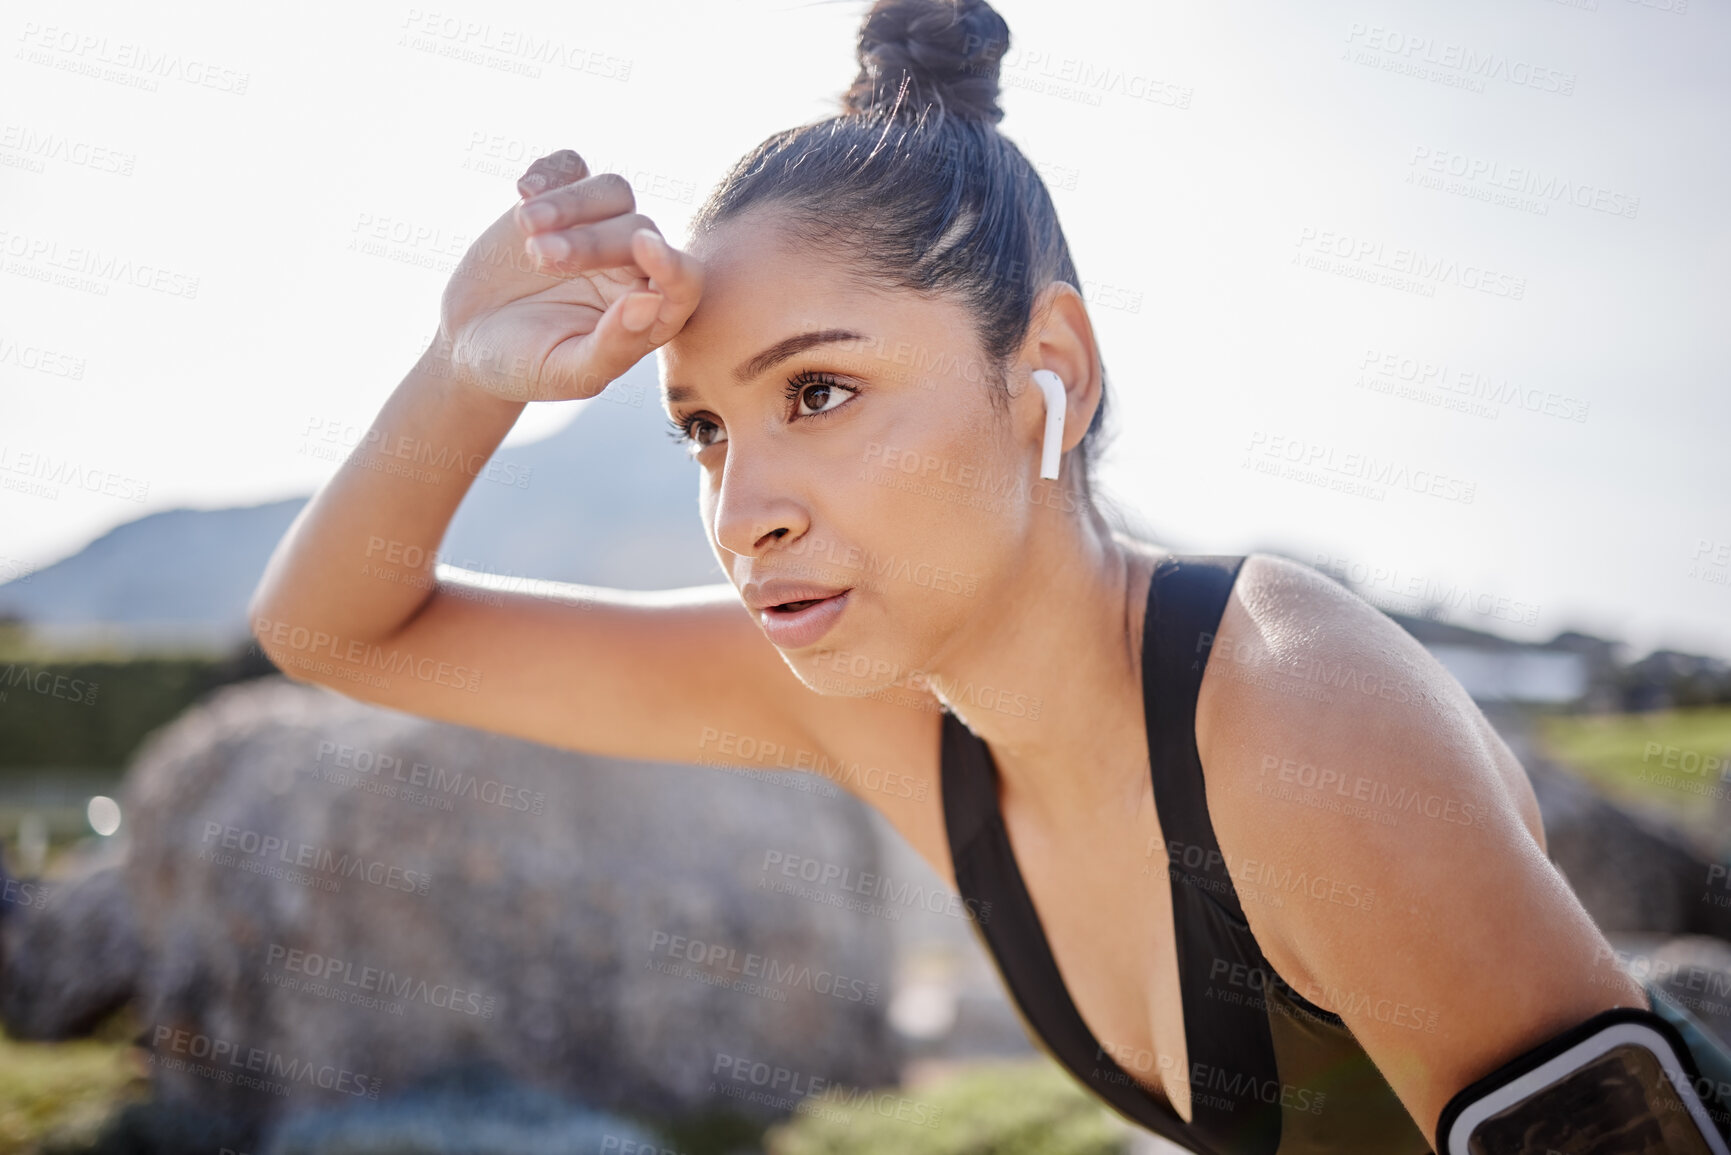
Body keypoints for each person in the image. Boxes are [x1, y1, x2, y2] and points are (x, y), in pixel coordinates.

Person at [249, 0, 1731, 1150]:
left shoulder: (1296, 713)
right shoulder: (869, 694)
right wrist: (467, 372)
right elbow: (335, 630)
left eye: (819, 393)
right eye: (703, 429)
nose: (742, 508)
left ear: (1051, 372)